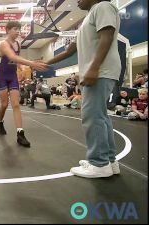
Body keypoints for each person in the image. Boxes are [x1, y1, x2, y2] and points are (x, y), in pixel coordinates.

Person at [44, 0, 122, 178]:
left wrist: (94, 68)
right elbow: (69, 51)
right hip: (99, 70)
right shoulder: (89, 18)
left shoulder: (103, 7)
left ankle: (99, 163)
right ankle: (109, 161)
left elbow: (107, 35)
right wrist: (44, 63)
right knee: (100, 115)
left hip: (101, 70)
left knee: (92, 116)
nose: (77, 0)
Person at [0, 21, 47, 147]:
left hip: (12, 76)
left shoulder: (18, 43)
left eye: (19, 29)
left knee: (16, 104)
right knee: (4, 104)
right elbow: (12, 57)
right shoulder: (3, 44)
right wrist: (32, 64)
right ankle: (0, 121)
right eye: (15, 29)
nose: (18, 31)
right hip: (2, 76)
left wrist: (22, 68)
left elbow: (17, 59)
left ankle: (20, 133)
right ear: (7, 30)